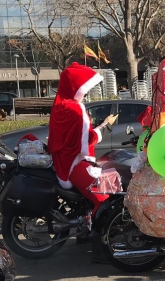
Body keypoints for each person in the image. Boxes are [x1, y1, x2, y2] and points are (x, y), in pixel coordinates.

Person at [49, 62, 117, 217]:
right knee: (103, 200)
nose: (86, 94)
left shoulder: (60, 105)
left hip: (64, 162)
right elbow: (84, 142)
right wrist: (105, 128)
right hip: (75, 164)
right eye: (85, 89)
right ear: (76, 87)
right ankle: (92, 234)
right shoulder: (74, 108)